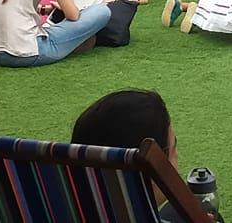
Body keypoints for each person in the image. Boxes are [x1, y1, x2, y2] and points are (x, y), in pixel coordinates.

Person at [70, 90, 223, 223]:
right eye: (173, 148)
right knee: (202, 210)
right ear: (152, 169)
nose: (176, 154)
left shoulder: (55, 208)